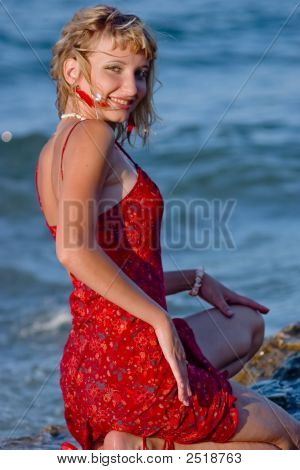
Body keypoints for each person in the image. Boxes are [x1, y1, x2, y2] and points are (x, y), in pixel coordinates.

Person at [35, 5, 300, 450]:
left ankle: (138, 437)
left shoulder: (53, 149)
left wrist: (193, 279)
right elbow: (74, 251)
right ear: (73, 70)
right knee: (288, 440)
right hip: (133, 369)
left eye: (140, 73)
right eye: (114, 70)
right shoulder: (92, 136)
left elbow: (109, 265)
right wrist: (160, 319)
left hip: (89, 371)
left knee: (248, 323)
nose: (131, 87)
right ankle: (151, 443)